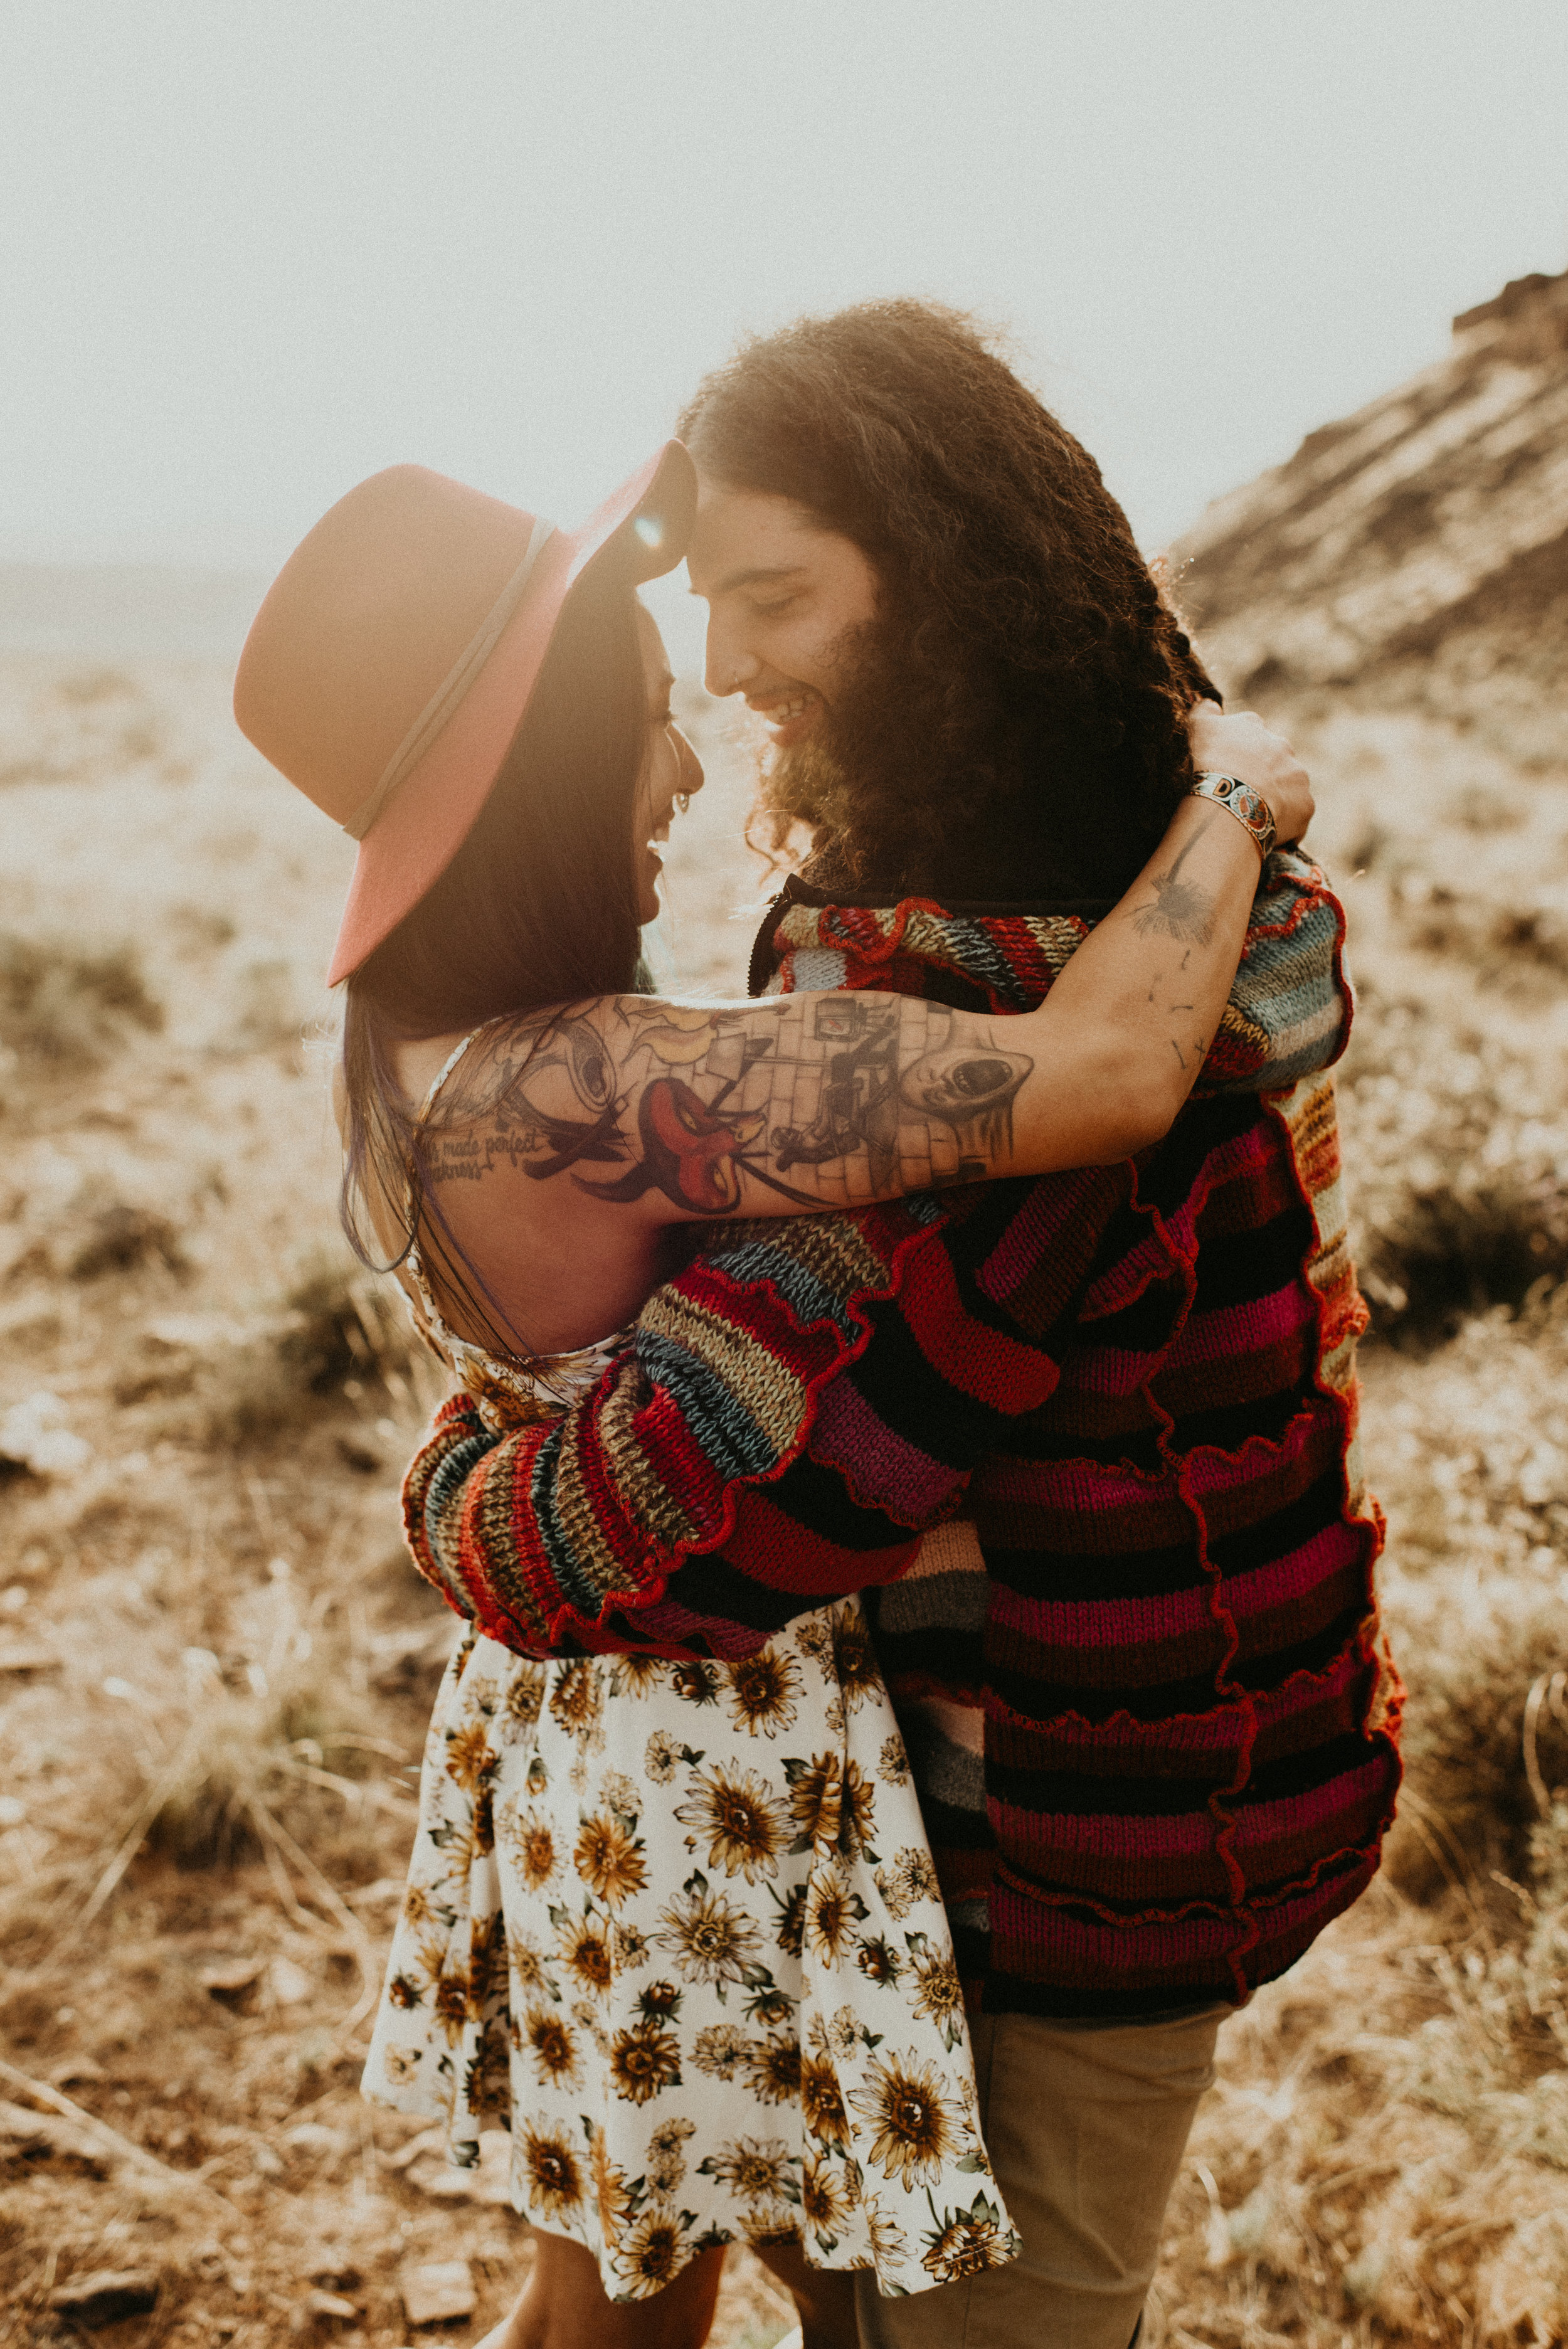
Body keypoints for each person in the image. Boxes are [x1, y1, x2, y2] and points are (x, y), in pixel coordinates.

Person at [234, 432, 1313, 2349]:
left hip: (583, 1738)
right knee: (756, 2295)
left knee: (614, 2284)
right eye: (647, 723)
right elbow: (1103, 1074)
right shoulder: (586, 1083)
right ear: (548, 770)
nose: (682, 768)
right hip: (706, 1762)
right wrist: (1224, 790)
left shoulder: (429, 1051)